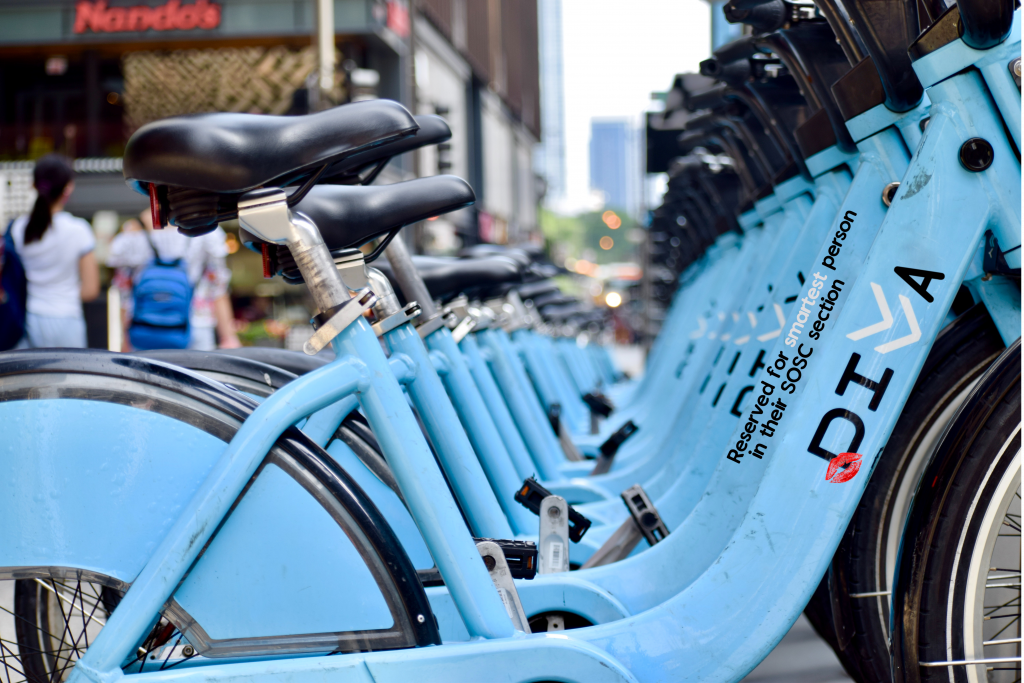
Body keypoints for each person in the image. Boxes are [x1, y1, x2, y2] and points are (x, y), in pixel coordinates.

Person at [107, 210, 241, 350]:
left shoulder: (132, 233)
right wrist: (229, 338)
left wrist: (124, 340)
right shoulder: (206, 230)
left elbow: (124, 294)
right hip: (195, 324)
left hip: (145, 327)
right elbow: (218, 289)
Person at [9, 155, 100, 348]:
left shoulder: (18, 228)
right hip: (67, 320)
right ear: (68, 188)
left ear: (33, 185)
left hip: (28, 320)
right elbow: (90, 290)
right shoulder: (79, 230)